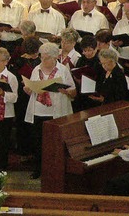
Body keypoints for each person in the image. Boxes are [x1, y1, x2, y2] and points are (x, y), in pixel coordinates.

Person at [24, 42, 76, 178]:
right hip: (38, 111)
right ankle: (38, 169)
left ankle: (54, 170)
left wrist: (65, 91)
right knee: (38, 142)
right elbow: (32, 89)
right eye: (41, 57)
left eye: (46, 58)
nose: (43, 60)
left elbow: (73, 92)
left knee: (54, 144)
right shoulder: (37, 69)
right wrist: (29, 89)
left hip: (55, 113)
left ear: (55, 58)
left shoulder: (63, 70)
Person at [8, 36, 42, 156]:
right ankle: (23, 150)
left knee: (33, 124)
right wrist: (22, 81)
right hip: (23, 94)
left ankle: (33, 151)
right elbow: (13, 77)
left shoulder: (41, 61)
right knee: (22, 122)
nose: (33, 55)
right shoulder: (19, 61)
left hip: (36, 94)